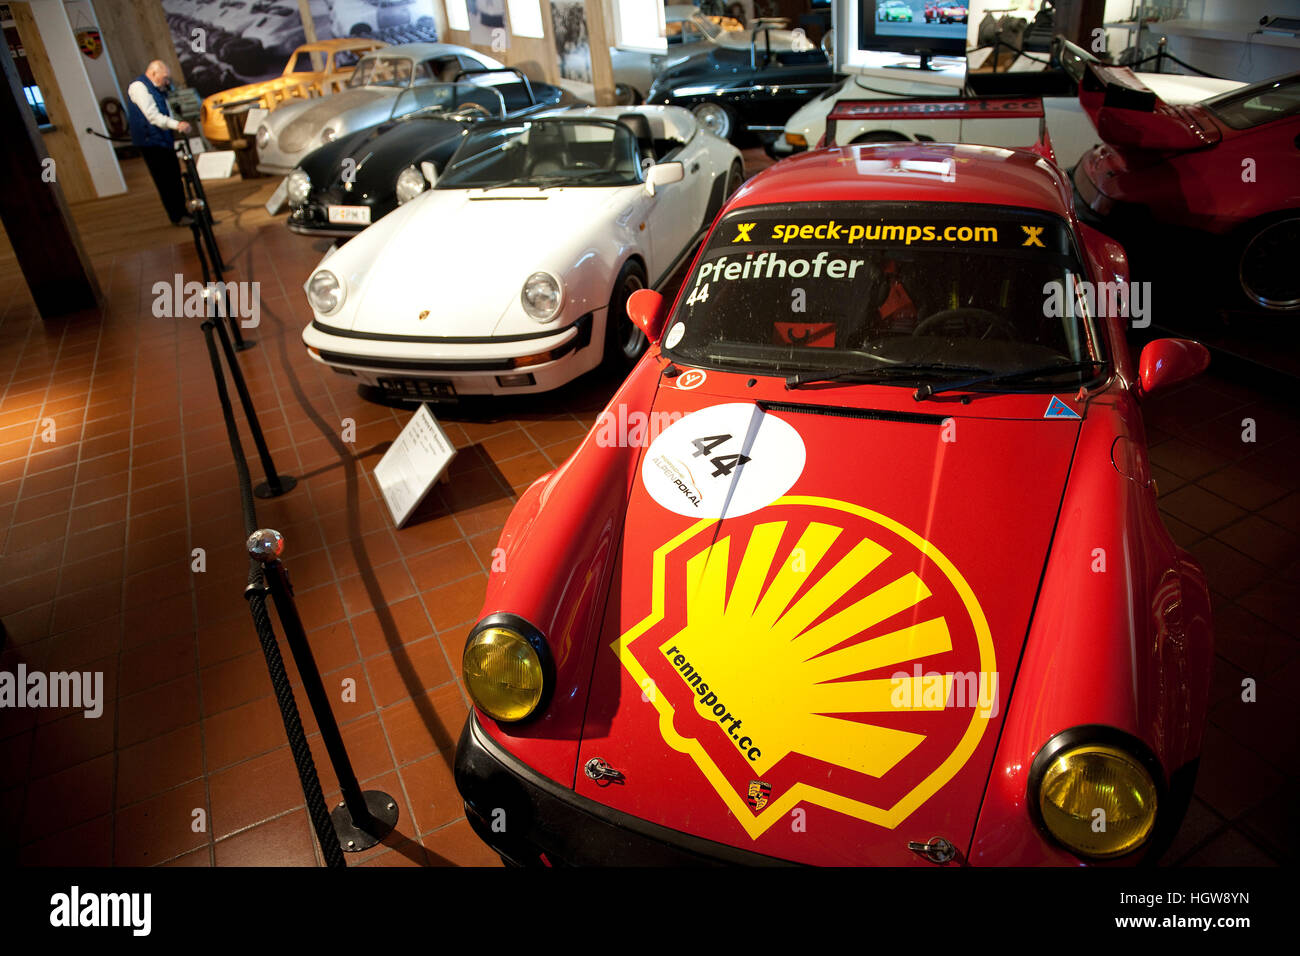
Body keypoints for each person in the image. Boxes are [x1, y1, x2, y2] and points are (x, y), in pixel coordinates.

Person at [126, 60, 193, 226]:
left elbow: (166, 112)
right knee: (165, 181)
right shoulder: (139, 87)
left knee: (175, 177)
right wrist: (177, 125)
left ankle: (182, 211)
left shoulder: (157, 90)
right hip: (152, 143)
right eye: (165, 77)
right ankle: (177, 216)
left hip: (163, 140)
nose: (167, 81)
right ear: (154, 73)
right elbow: (152, 116)